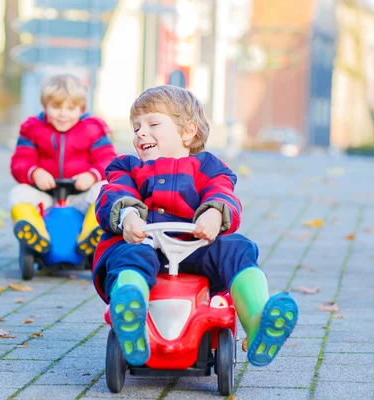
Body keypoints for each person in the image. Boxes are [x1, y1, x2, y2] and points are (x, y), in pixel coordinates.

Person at [92, 85, 298, 367]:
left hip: (195, 250)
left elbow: (222, 193)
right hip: (144, 246)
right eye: (136, 126)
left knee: (237, 248)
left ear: (187, 132)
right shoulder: (126, 167)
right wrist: (128, 217)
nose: (140, 133)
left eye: (152, 124)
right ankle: (131, 310)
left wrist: (214, 214)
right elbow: (114, 193)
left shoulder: (209, 167)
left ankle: (258, 322)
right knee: (130, 253)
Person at [9, 74, 117, 256]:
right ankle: (37, 236)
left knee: (105, 190)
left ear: (81, 109)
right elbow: (20, 161)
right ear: (45, 106)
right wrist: (35, 173)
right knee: (17, 194)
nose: (63, 114)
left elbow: (107, 160)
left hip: (79, 197)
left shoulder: (92, 129)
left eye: (71, 108)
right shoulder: (33, 129)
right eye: (56, 107)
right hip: (46, 197)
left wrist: (91, 175)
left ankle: (91, 235)